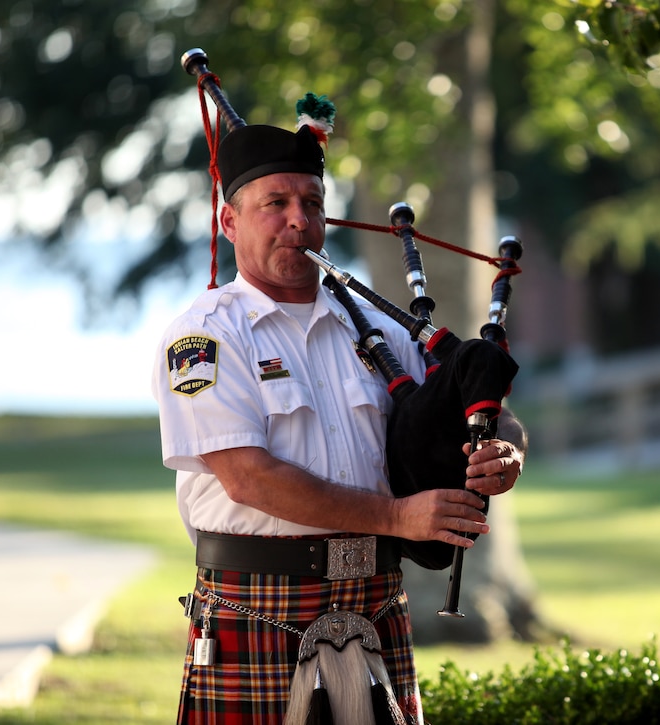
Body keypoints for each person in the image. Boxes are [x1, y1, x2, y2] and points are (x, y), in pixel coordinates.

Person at [152, 114, 527, 724]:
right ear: (229, 221)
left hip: (375, 601)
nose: (299, 219)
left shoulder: (380, 330)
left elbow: (486, 410)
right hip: (257, 605)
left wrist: (505, 452)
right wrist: (399, 516)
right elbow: (249, 478)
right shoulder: (205, 336)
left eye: (312, 201)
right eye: (275, 202)